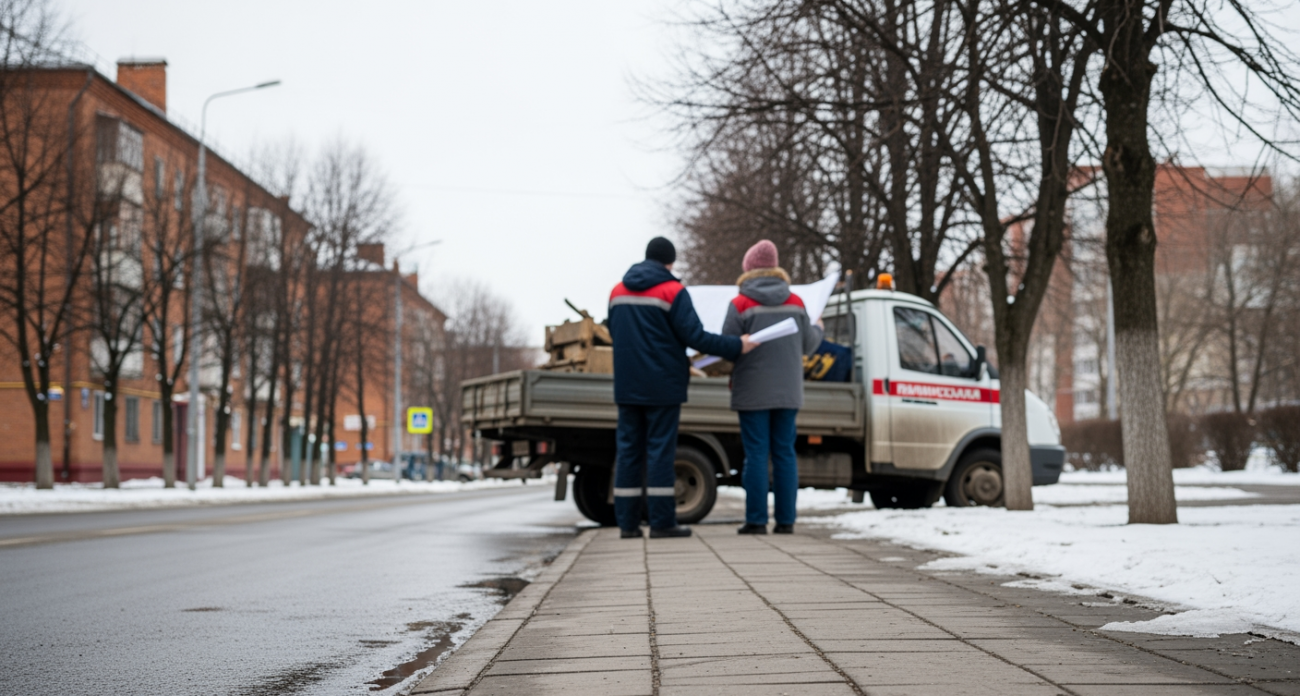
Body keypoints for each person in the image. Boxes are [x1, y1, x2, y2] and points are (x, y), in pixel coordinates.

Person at [608, 237, 756, 539]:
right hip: (663, 386)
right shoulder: (673, 291)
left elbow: (615, 331)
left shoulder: (617, 291)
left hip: (627, 385)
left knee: (628, 452)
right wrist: (736, 346)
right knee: (660, 452)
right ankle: (662, 523)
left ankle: (627, 525)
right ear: (670, 262)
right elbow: (696, 337)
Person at [722, 240, 824, 535]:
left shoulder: (740, 303)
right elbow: (808, 345)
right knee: (784, 453)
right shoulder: (796, 301)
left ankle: (755, 520)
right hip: (788, 391)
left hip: (752, 390)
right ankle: (786, 521)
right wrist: (818, 328)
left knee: (755, 454)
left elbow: (729, 347)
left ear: (749, 269)